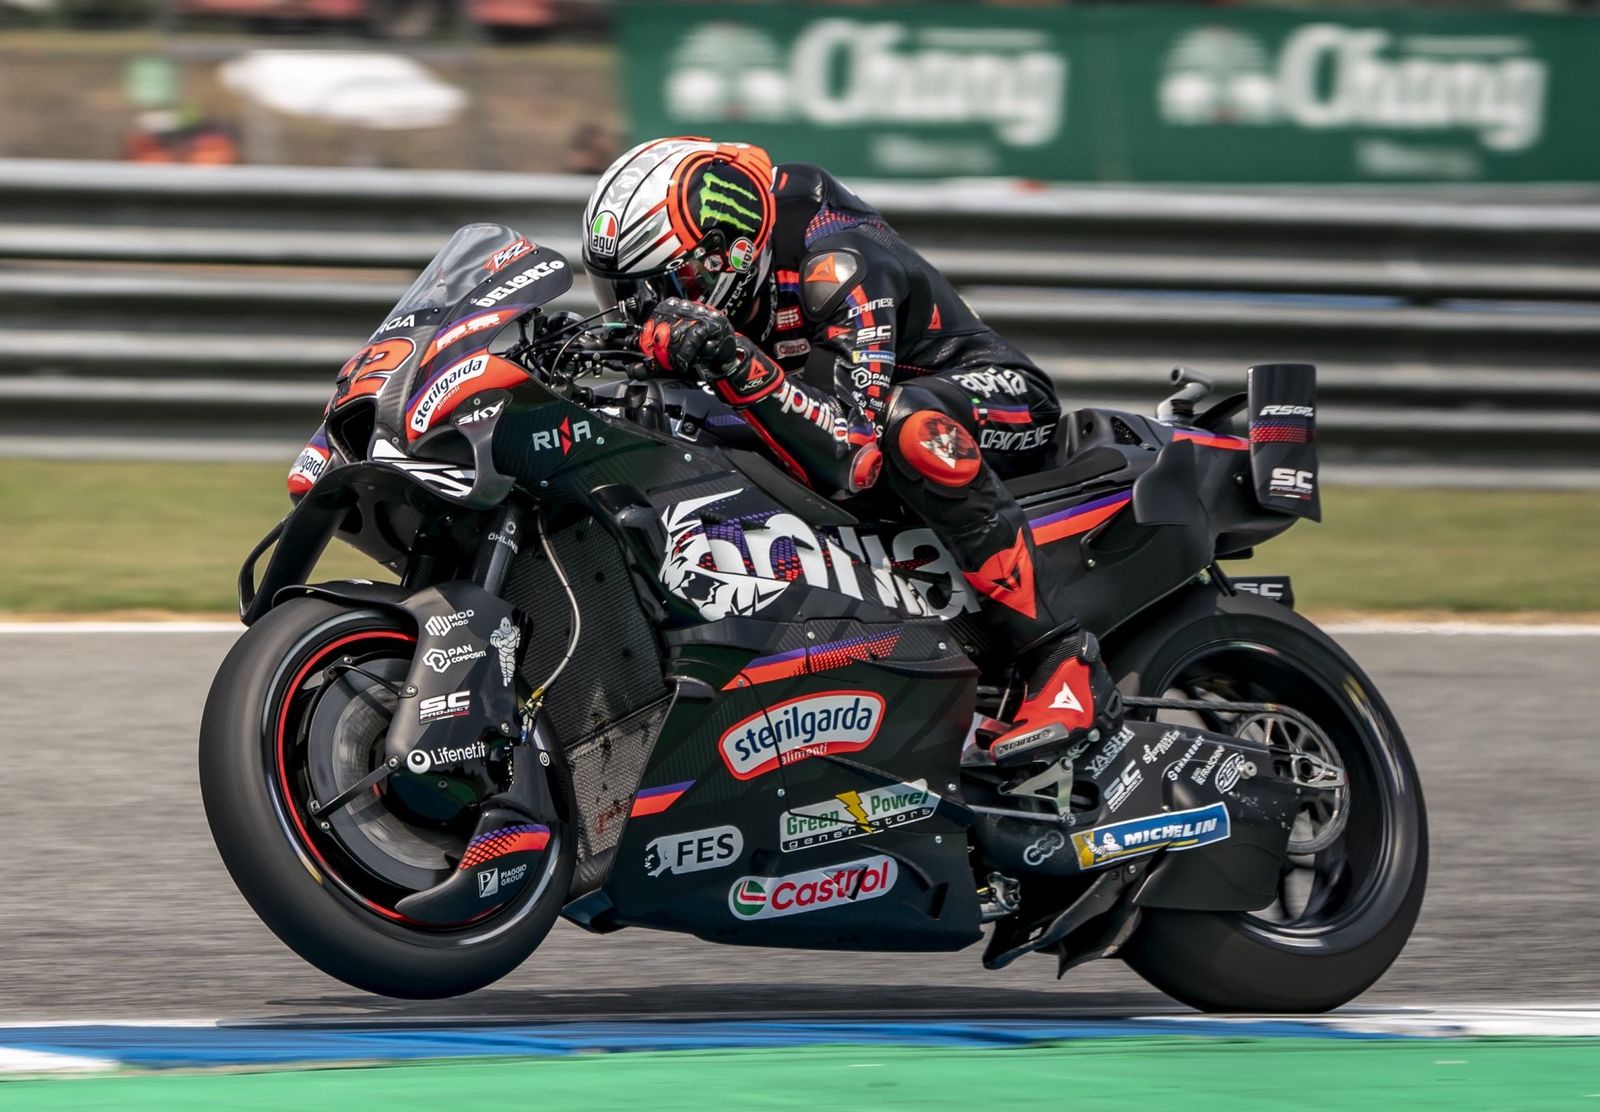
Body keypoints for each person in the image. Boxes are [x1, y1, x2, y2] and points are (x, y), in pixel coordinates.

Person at [580, 137, 1121, 764]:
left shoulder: (838, 261)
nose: (644, 312)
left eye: (662, 289)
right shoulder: (726, 271)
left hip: (988, 400)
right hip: (836, 402)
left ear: (728, 255)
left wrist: (730, 357)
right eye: (621, 294)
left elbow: (851, 452)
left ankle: (1060, 657)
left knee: (909, 425)